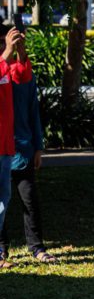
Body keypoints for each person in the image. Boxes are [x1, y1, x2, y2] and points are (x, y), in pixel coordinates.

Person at [0, 59, 54, 265]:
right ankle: (1, 249)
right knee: (0, 202)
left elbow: (33, 111)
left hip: (22, 149)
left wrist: (38, 147)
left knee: (29, 199)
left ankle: (37, 247)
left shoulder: (24, 74)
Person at [0, 26, 32, 270]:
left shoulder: (5, 65)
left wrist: (20, 53)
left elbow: (21, 78)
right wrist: (6, 54)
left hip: (5, 146)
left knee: (3, 200)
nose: (5, 45)